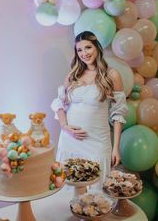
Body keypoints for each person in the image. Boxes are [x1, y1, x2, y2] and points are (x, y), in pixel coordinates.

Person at [51, 31, 128, 184]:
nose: (84, 53)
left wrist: (116, 147)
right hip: (69, 141)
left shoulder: (112, 75)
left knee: (96, 190)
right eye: (79, 50)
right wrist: (64, 126)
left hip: (97, 141)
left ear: (97, 48)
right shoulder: (72, 76)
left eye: (88, 48)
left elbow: (118, 113)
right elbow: (60, 103)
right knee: (68, 187)